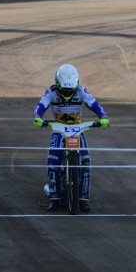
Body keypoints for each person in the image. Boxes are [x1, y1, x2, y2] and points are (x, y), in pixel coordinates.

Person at [33, 64, 110, 213]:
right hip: (59, 130)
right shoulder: (50, 92)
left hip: (77, 130)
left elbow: (94, 103)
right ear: (57, 84)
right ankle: (54, 197)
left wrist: (103, 117)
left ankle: (83, 198)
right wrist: (37, 117)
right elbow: (40, 105)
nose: (67, 93)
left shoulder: (81, 91)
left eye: (70, 90)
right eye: (64, 90)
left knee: (86, 161)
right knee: (53, 159)